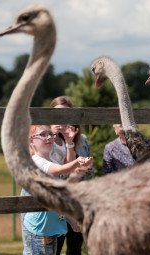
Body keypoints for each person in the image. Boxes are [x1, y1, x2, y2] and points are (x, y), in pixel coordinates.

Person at [21, 125, 93, 255]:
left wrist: (70, 220)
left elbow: (56, 197)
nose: (49, 137)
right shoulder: (36, 161)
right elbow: (58, 170)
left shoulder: (52, 161)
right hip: (39, 231)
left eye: (50, 134)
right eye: (43, 134)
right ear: (31, 141)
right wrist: (78, 161)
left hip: (50, 230)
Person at [49, 96, 94, 255]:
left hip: (77, 202)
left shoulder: (82, 140)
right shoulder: (48, 140)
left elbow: (89, 175)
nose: (62, 119)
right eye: (57, 115)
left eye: (66, 114)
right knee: (55, 247)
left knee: (75, 248)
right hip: (57, 203)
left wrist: (87, 169)